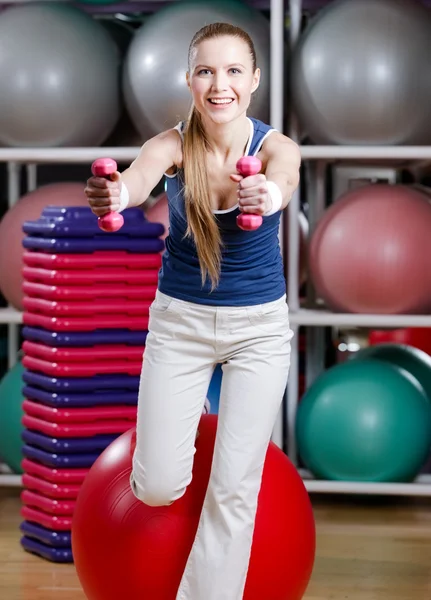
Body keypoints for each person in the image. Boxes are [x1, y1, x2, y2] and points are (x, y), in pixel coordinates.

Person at [85, 21, 300, 600]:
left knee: (235, 489)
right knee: (156, 486)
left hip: (258, 331)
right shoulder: (172, 144)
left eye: (233, 71)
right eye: (206, 70)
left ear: (254, 80)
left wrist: (268, 196)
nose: (219, 84)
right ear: (189, 79)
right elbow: (135, 182)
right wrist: (116, 196)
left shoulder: (276, 147)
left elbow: (282, 179)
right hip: (179, 325)